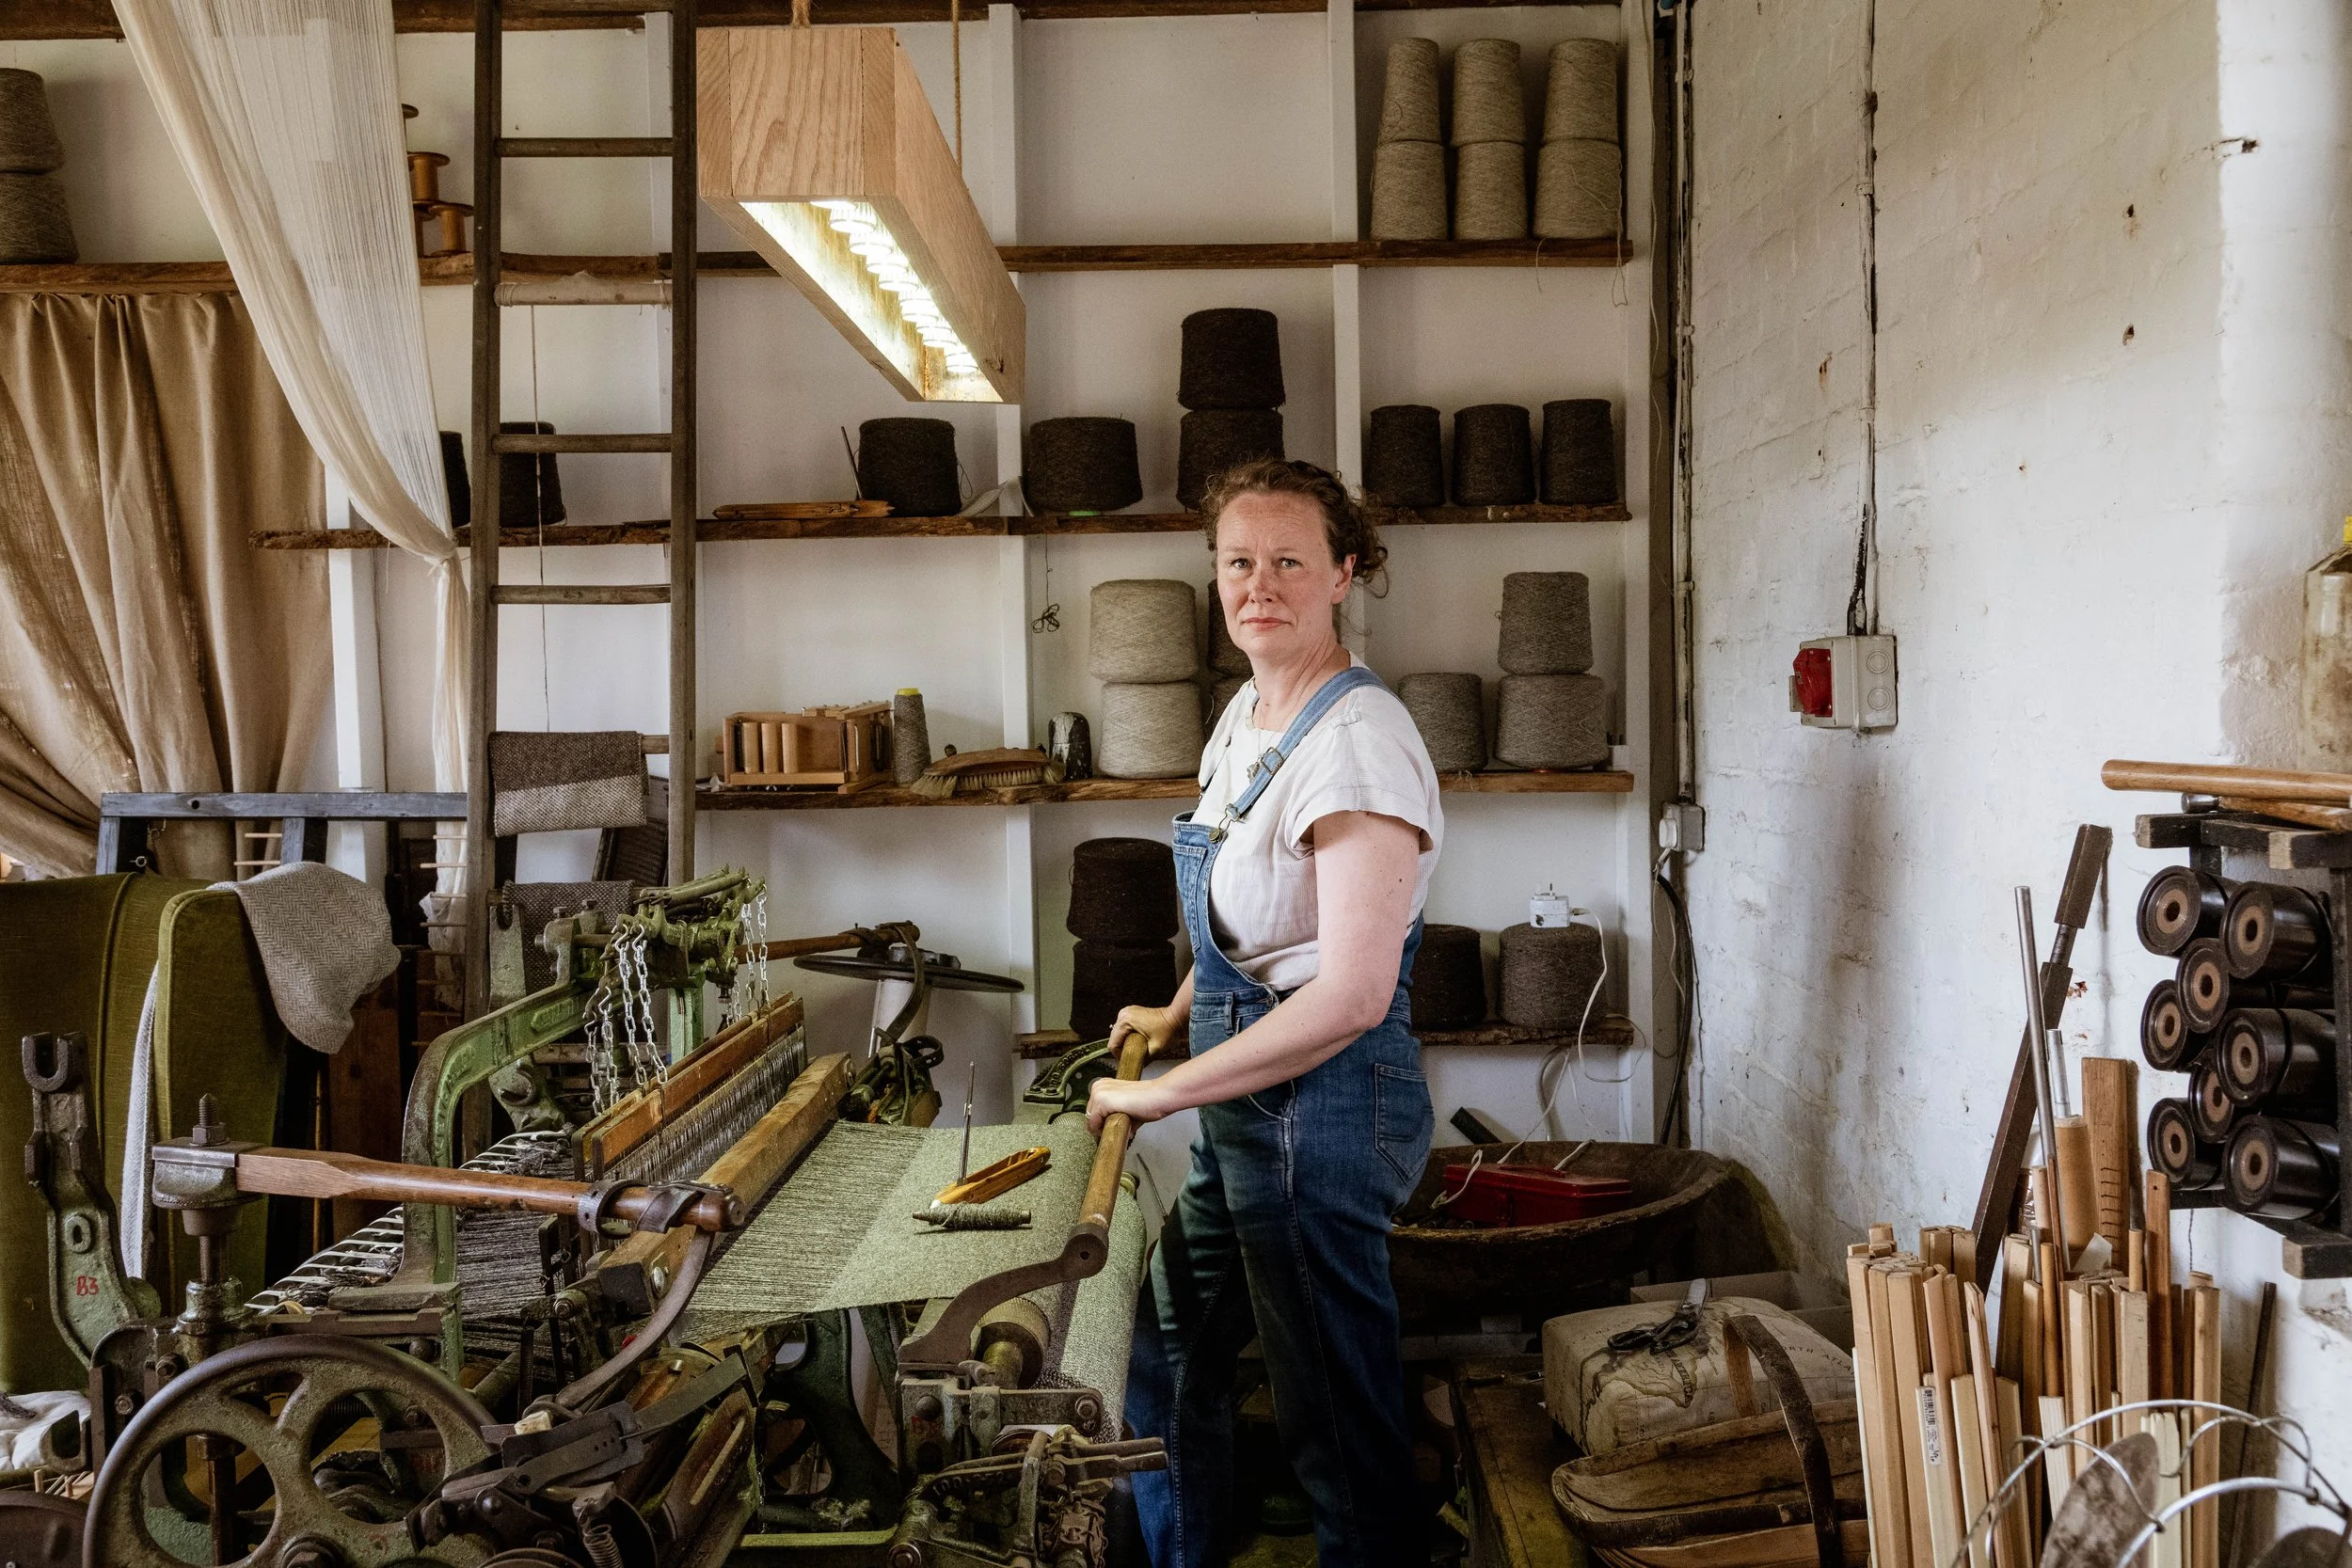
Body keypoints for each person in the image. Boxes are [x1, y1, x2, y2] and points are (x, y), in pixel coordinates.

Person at [1086, 458, 1442, 1568]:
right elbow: (1251, 920)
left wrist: (1162, 1090)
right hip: (1256, 1097)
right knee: (1170, 1346)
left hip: (1323, 1108)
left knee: (1332, 1417)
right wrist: (1178, 1000)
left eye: (1290, 560)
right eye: (1239, 561)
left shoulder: (1357, 741)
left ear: (1344, 571)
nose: (1260, 584)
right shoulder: (1251, 708)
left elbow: (1349, 989)